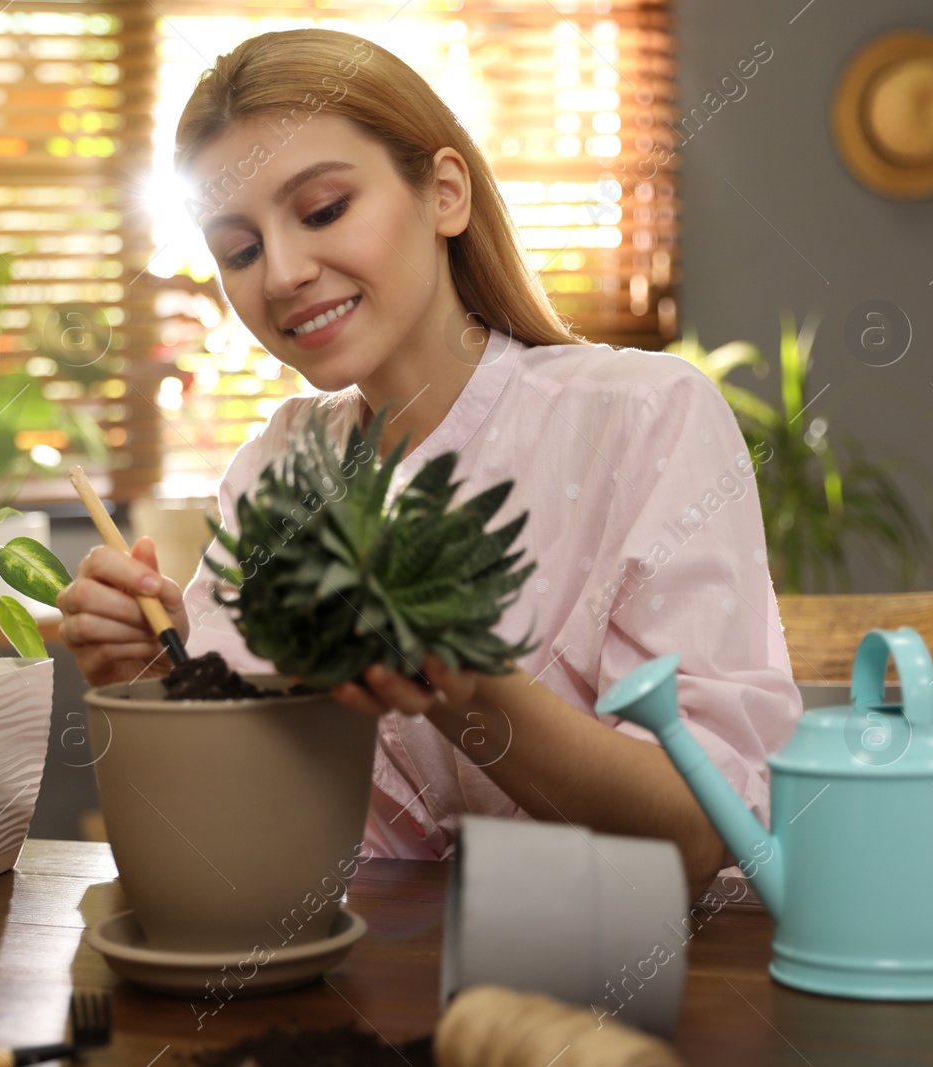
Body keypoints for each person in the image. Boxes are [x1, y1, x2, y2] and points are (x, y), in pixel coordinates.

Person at [54, 28, 802, 900]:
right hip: (367, 1001)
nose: (285, 272)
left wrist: (469, 691)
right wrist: (153, 681)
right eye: (240, 250)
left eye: (324, 208)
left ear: (445, 193)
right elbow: (243, 841)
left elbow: (709, 829)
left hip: (642, 999)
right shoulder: (275, 471)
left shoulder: (646, 418)